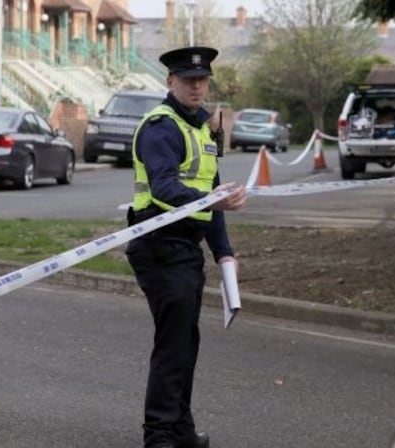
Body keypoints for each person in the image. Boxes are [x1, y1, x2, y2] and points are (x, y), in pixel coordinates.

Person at [125, 46, 247, 448]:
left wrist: (223, 251)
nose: (197, 87)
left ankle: (179, 429)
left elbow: (210, 189)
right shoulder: (162, 127)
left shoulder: (202, 128)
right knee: (173, 344)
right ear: (170, 82)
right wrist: (211, 203)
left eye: (202, 80)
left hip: (185, 245)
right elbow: (163, 188)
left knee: (185, 343)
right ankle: (158, 435)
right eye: (188, 80)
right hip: (158, 244)